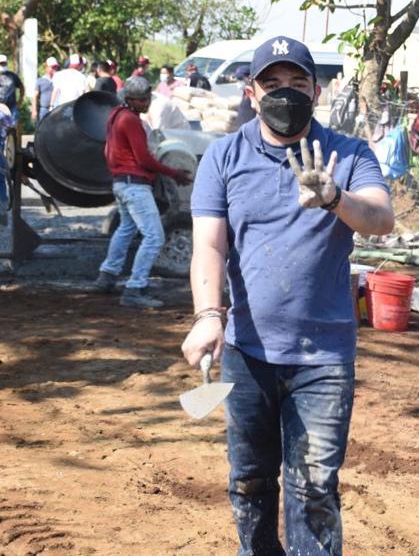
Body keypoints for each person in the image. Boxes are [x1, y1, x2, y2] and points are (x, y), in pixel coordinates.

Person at [180, 36, 394, 554]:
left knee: (315, 488)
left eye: (297, 83)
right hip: (248, 352)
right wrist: (209, 315)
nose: (285, 94)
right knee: (249, 482)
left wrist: (334, 198)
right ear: (251, 92)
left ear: (316, 91)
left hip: (324, 358)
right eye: (272, 84)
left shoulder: (347, 154)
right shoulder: (223, 157)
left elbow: (381, 219)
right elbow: (209, 243)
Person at [93, 78, 191, 306]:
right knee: (155, 237)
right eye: (143, 99)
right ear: (129, 100)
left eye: (148, 98)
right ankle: (135, 288)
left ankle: (107, 275)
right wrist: (173, 172)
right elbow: (144, 159)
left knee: (126, 229)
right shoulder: (130, 120)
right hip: (134, 185)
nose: (147, 102)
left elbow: (110, 151)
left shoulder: (116, 116)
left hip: (121, 182)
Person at [33, 56, 59, 122]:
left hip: (57, 109)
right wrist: (34, 110)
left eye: (56, 67)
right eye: (52, 67)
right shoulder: (40, 80)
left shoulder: (59, 79)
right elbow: (35, 96)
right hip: (44, 109)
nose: (55, 69)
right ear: (47, 68)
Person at [232, 64, 256, 129]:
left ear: (249, 78)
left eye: (240, 78)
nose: (238, 81)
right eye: (237, 79)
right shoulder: (245, 92)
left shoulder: (255, 94)